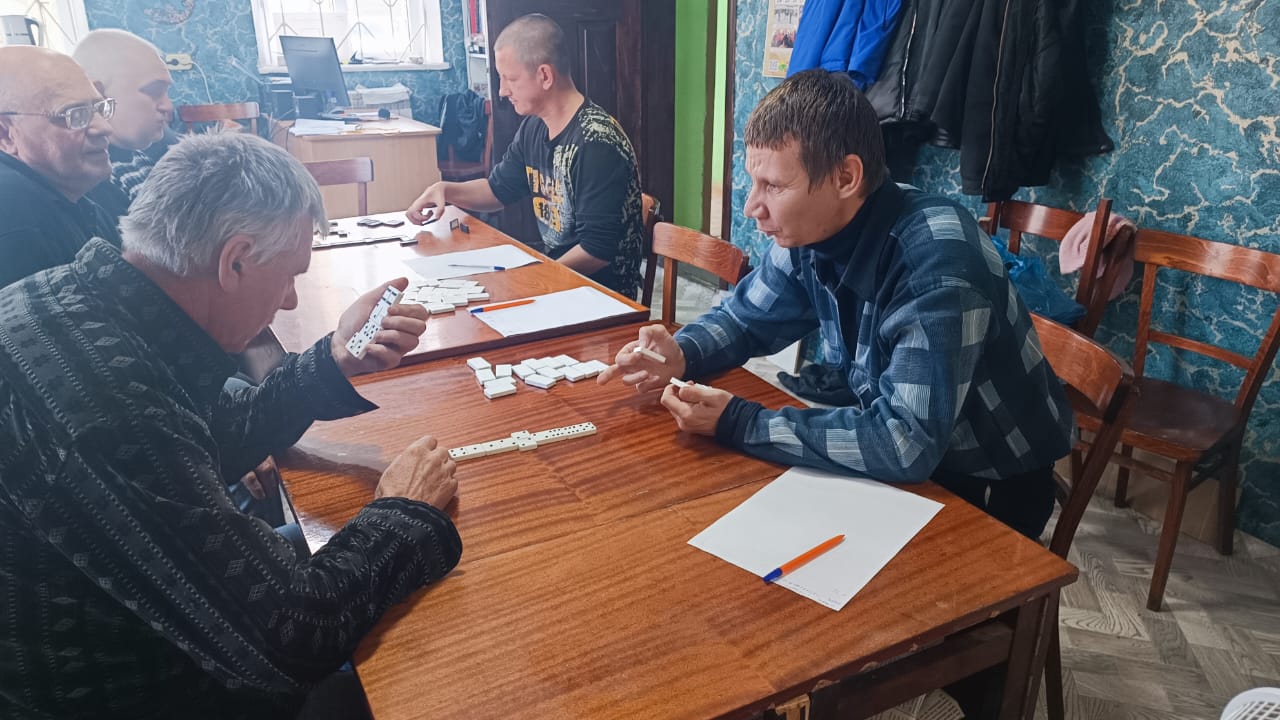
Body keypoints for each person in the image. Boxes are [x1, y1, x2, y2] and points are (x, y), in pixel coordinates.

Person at [0, 132, 462, 718]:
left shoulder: (77, 301)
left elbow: (211, 432)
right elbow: (291, 638)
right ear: (235, 260)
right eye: (289, 275)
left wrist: (333, 360)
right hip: (128, 687)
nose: (290, 301)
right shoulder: (110, 412)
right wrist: (403, 508)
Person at [599, 70, 1072, 540]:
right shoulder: (814, 230)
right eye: (753, 181)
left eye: (774, 186)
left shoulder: (937, 268)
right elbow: (746, 318)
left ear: (846, 177)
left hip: (988, 475)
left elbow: (905, 443)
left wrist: (739, 421)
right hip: (915, 446)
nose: (751, 207)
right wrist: (683, 351)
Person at [406, 13, 644, 299]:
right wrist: (445, 189)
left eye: (511, 79)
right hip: (558, 281)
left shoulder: (596, 143)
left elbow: (597, 251)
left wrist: (532, 279)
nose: (502, 91)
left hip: (600, 297)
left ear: (545, 76)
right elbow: (497, 190)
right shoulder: (535, 127)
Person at [0, 45, 119, 288]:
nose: (105, 128)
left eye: (100, 108)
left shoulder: (71, 188)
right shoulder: (14, 212)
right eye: (74, 114)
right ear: (6, 135)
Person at [74, 28, 178, 222]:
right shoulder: (92, 180)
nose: (168, 106)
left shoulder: (138, 154)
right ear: (97, 94)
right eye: (154, 91)